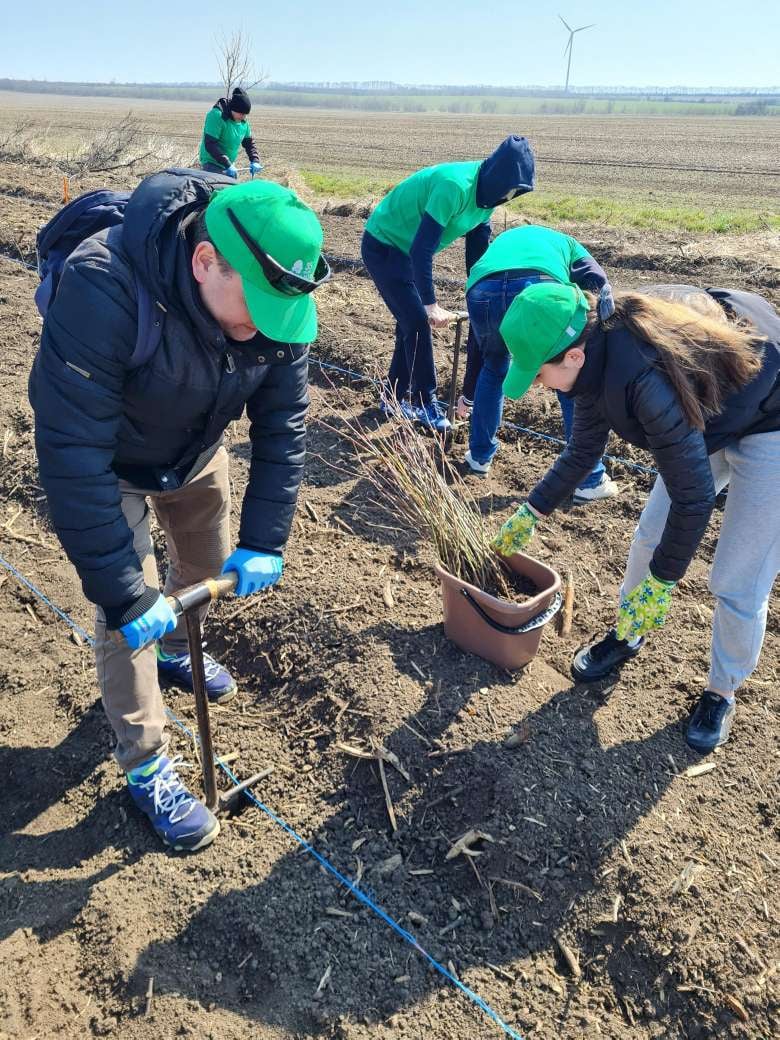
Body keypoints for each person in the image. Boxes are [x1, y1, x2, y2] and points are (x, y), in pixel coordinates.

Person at [29, 170, 330, 850]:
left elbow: (282, 426)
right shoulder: (102, 284)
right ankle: (146, 765)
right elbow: (72, 451)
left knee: (203, 561)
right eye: (254, 304)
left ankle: (174, 646)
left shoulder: (279, 306)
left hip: (195, 447)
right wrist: (127, 596)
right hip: (110, 461)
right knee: (125, 610)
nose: (267, 328)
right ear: (203, 262)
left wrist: (266, 539)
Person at [491, 281, 780, 753]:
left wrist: (663, 583)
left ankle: (721, 692)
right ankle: (629, 631)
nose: (537, 385)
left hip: (771, 422)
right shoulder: (592, 354)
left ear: (573, 356)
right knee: (650, 536)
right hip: (706, 415)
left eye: (538, 373)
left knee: (737, 577)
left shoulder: (643, 379)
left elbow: (694, 499)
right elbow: (583, 449)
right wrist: (531, 510)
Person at [361, 136, 536, 432]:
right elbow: (422, 249)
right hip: (384, 243)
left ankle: (391, 397)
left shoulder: (488, 200)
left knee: (408, 324)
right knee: (417, 320)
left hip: (405, 249)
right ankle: (423, 403)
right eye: (507, 191)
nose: (508, 198)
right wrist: (430, 304)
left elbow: (477, 255)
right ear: (496, 178)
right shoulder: (455, 186)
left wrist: (480, 294)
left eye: (514, 194)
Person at [457, 224, 617, 501]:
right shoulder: (568, 244)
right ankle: (589, 478)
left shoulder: (503, 243)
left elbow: (476, 345)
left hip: (482, 288)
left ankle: (479, 457)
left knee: (493, 366)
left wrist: (468, 394)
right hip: (539, 286)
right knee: (566, 371)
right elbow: (596, 281)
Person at [199, 87, 263, 179]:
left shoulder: (243, 122)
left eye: (245, 114)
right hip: (211, 164)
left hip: (229, 165)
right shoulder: (216, 116)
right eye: (241, 114)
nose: (244, 117)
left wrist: (255, 160)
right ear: (233, 109)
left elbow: (249, 143)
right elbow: (210, 144)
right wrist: (227, 164)